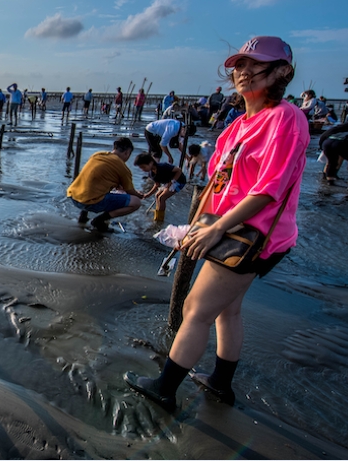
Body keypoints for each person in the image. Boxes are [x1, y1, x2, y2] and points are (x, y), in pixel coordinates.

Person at [125, 35, 309, 412]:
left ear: (282, 71)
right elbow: (219, 185)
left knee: (195, 310)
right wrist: (197, 226)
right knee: (229, 309)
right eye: (238, 65)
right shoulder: (239, 124)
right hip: (228, 229)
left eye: (254, 64)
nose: (242, 72)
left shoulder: (285, 118)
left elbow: (268, 189)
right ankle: (221, 383)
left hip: (251, 235)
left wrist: (216, 228)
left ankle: (165, 389)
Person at [66, 137, 144, 231]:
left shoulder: (98, 155)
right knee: (136, 202)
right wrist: (139, 195)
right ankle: (99, 220)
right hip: (88, 202)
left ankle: (82, 217)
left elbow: (96, 179)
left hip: (73, 196)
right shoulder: (122, 168)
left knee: (91, 186)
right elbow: (130, 191)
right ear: (127, 152)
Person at [134, 152, 186, 223]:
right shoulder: (151, 173)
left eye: (144, 167)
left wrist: (172, 182)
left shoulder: (163, 166)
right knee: (157, 195)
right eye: (141, 168)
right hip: (168, 182)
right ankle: (158, 212)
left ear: (151, 163)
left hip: (178, 181)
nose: (143, 169)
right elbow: (157, 185)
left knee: (162, 198)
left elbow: (179, 170)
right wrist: (147, 195)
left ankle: (160, 219)